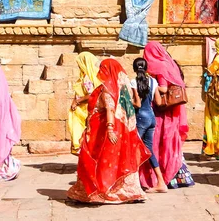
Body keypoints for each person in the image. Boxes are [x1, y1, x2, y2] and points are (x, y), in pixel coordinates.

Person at [67, 58, 150, 204]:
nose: (100, 72)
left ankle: (102, 192)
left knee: (101, 161)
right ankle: (127, 191)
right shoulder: (124, 88)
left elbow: (110, 109)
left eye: (102, 68)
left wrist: (110, 128)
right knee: (122, 160)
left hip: (105, 132)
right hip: (124, 131)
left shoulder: (108, 88)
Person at [141, 42, 194, 189]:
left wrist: (150, 85)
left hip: (162, 110)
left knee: (160, 141)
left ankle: (162, 176)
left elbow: (164, 88)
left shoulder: (158, 66)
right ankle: (175, 176)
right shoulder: (168, 63)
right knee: (170, 141)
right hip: (171, 111)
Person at [131, 58, 168, 193]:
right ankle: (161, 182)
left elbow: (137, 104)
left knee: (133, 148)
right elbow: (158, 102)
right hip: (151, 117)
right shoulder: (153, 81)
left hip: (141, 118)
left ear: (134, 68)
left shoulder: (134, 82)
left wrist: (127, 103)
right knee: (149, 150)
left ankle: (133, 183)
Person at [68, 52, 101, 154]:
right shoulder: (94, 75)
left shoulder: (88, 77)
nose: (78, 66)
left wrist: (77, 101)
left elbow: (92, 94)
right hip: (86, 110)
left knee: (84, 136)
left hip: (85, 111)